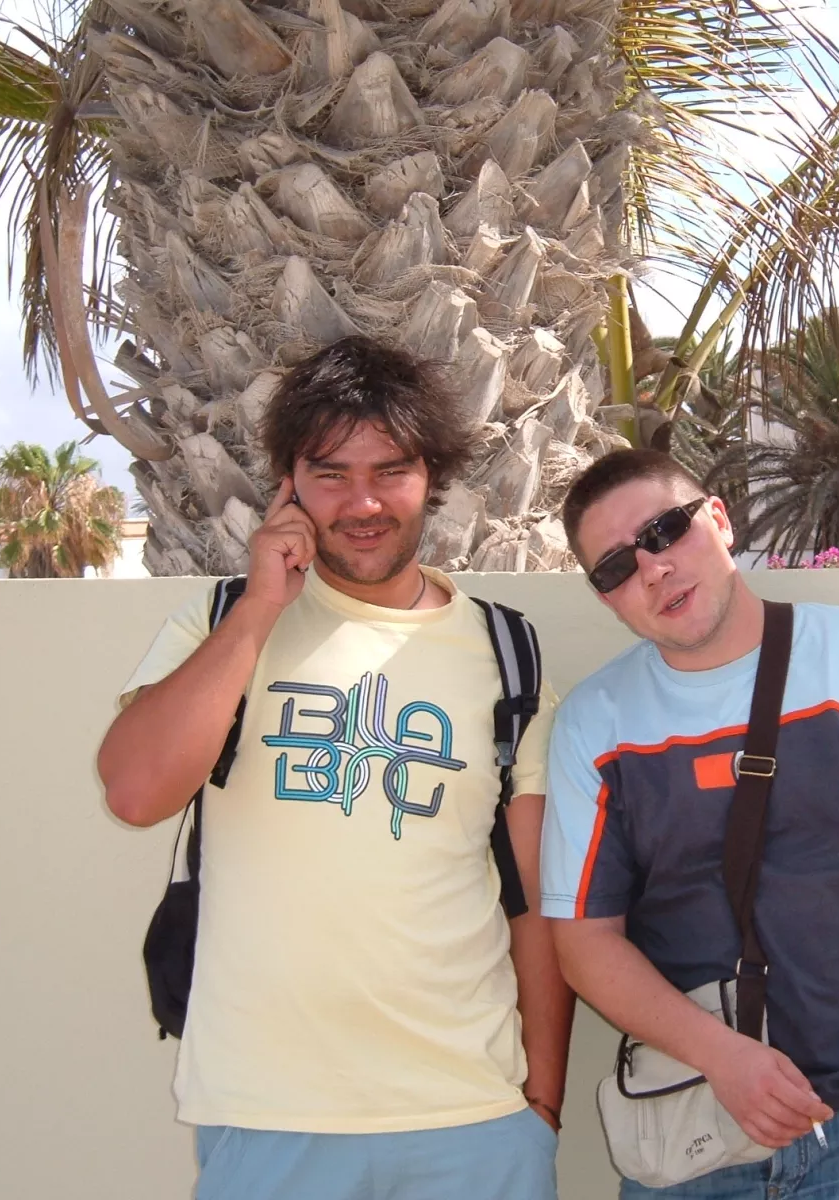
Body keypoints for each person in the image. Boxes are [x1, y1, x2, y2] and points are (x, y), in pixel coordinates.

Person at [98, 337, 573, 1200]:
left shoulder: (506, 653)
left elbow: (536, 901)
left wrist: (540, 1101)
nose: (364, 502)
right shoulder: (221, 622)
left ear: (432, 476)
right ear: (288, 483)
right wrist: (259, 611)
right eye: (331, 474)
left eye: (391, 471)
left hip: (472, 1119)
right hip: (269, 1118)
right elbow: (135, 792)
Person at [541, 449, 839, 1199]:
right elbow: (584, 941)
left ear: (719, 520)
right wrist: (723, 1058)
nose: (653, 568)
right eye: (615, 567)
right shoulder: (594, 723)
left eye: (665, 531)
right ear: (605, 597)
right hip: (693, 1123)